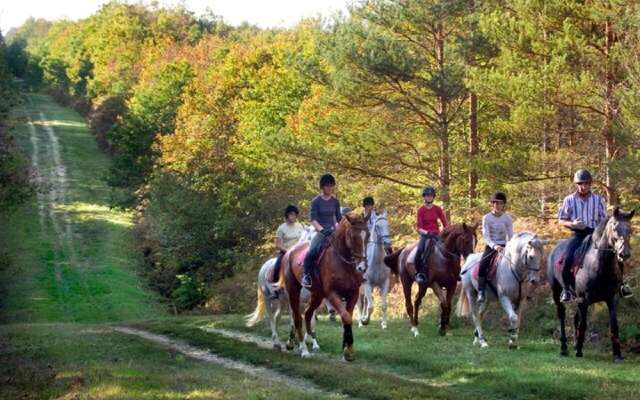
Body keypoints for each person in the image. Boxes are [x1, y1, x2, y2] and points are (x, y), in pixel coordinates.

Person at [557, 169, 630, 302]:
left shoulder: (598, 200)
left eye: (586, 184)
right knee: (567, 258)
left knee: (616, 256)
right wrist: (572, 224)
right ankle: (566, 290)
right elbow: (561, 220)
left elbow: (605, 220)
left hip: (595, 234)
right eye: (581, 184)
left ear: (590, 184)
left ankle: (621, 285)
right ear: (576, 184)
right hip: (578, 234)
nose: (583, 186)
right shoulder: (569, 200)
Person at [301, 174, 342, 288]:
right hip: (320, 231)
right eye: (327, 186)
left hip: (333, 230)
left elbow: (339, 218)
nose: (330, 188)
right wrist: (322, 230)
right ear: (322, 187)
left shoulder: (335, 201)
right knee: (312, 250)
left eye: (331, 186)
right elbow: (313, 219)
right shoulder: (316, 201)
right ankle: (306, 275)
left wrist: (342, 227)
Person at [477, 191, 513, 304]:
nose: (498, 205)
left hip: (505, 245)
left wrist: (510, 245)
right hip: (491, 246)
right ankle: (481, 291)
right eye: (495, 203)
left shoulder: (507, 218)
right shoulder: (486, 218)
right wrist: (495, 246)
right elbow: (486, 236)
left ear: (503, 204)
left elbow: (511, 234)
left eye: (500, 203)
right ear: (492, 204)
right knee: (483, 264)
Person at [414, 187, 448, 283]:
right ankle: (419, 273)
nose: (429, 197)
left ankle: (454, 271)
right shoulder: (421, 210)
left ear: (433, 197)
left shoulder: (437, 209)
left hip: (437, 235)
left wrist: (445, 231)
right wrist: (427, 232)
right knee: (420, 250)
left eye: (431, 196)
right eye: (427, 196)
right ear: (424, 197)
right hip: (426, 235)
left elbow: (445, 222)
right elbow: (419, 227)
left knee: (450, 248)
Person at [270, 205, 304, 299]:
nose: (293, 217)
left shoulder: (300, 226)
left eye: (294, 215)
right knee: (277, 265)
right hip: (285, 252)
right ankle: (276, 288)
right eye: (291, 215)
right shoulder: (281, 228)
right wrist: (288, 251)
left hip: (299, 252)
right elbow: (278, 244)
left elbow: (304, 240)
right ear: (287, 215)